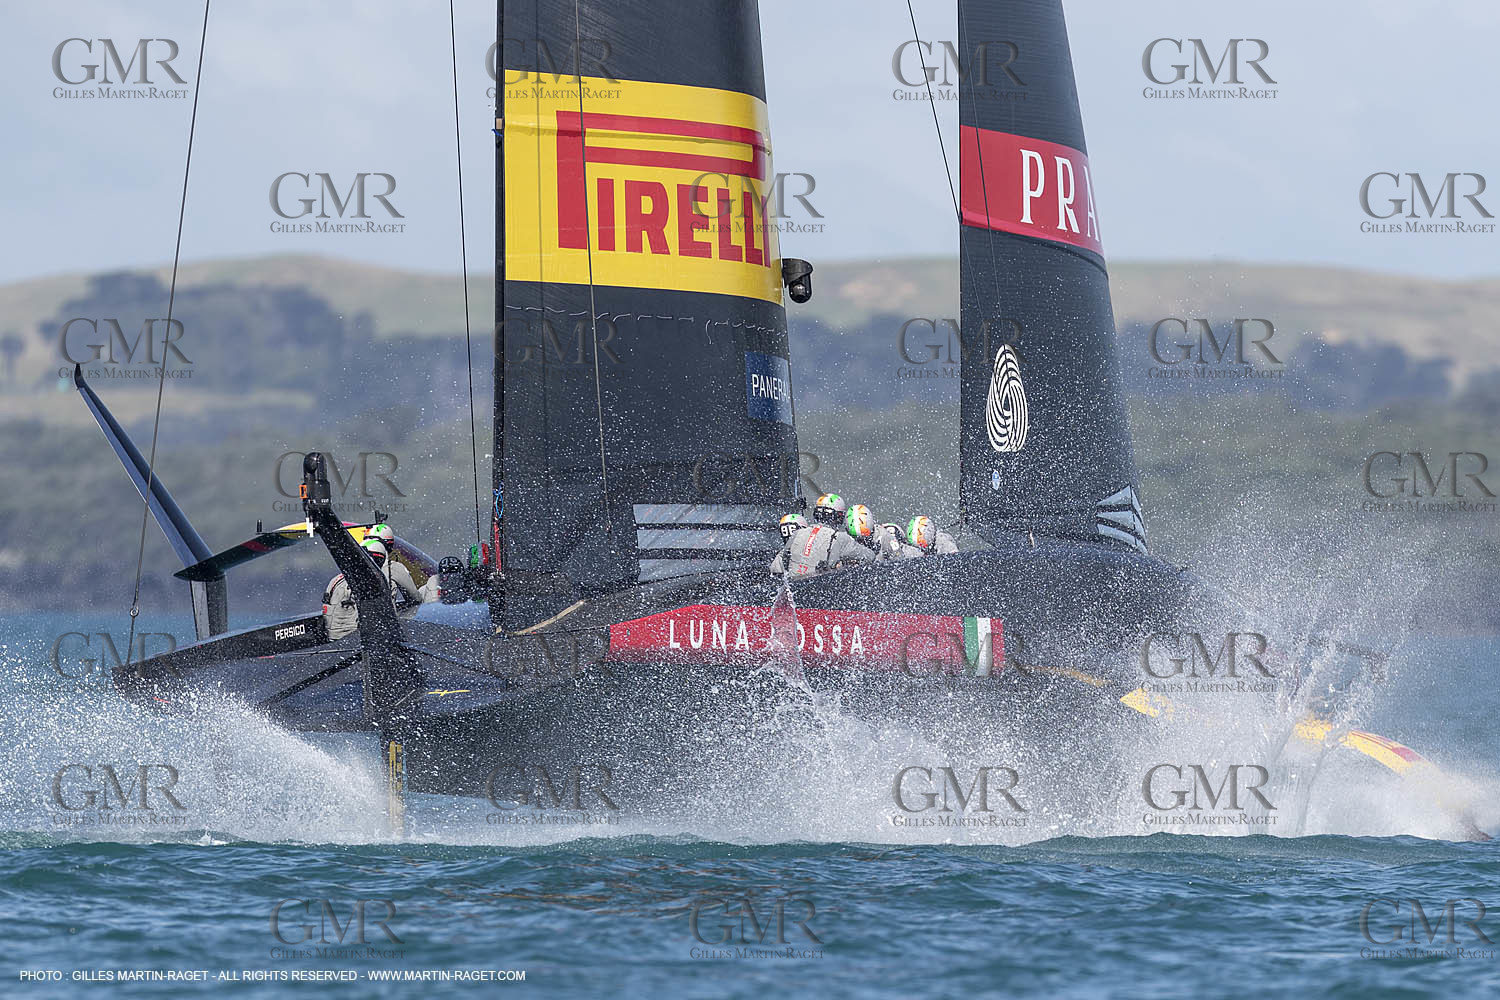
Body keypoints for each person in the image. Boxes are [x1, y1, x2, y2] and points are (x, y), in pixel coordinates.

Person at [770, 501, 874, 576]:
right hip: (820, 589)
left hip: (793, 589)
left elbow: (775, 567)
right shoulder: (841, 538)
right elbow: (870, 557)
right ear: (839, 518)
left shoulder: (797, 534)